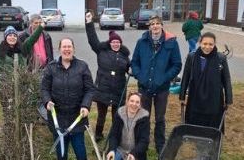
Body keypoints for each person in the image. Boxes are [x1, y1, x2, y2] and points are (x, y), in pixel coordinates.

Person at [131, 15, 182, 155]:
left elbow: (177, 65)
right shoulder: (141, 42)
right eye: (152, 24)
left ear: (162, 25)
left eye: (157, 24)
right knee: (143, 117)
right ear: (149, 27)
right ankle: (143, 144)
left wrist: (165, 78)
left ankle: (160, 145)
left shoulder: (171, 43)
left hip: (162, 89)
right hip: (144, 88)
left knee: (160, 118)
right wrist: (139, 75)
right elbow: (134, 62)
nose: (155, 26)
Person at [0, 3, 46, 93]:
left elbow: (33, 38)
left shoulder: (23, 48)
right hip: (4, 87)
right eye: (9, 35)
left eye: (14, 35)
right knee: (7, 107)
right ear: (5, 37)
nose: (12, 37)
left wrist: (41, 26)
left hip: (21, 85)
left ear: (17, 37)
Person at [41, 38, 95, 160]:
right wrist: (47, 101)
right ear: (59, 49)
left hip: (77, 118)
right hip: (58, 120)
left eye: (69, 46)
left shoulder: (82, 66)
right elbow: (44, 89)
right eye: (64, 47)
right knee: (61, 156)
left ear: (73, 49)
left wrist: (85, 105)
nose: (67, 49)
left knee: (81, 155)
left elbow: (90, 90)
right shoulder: (51, 68)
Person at [85, 12, 130, 142]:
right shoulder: (101, 51)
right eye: (113, 42)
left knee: (117, 116)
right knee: (101, 115)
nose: (116, 44)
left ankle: (114, 135)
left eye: (118, 42)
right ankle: (98, 134)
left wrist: (132, 69)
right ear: (110, 43)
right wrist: (89, 23)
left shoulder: (124, 56)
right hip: (102, 89)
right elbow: (92, 39)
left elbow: (130, 68)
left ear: (120, 44)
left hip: (118, 90)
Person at [180, 32, 232, 129]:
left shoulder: (221, 58)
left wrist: (228, 99)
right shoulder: (192, 57)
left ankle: (211, 137)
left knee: (213, 122)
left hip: (214, 98)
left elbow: (226, 79)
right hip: (195, 96)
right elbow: (185, 77)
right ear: (200, 43)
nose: (207, 47)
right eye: (204, 44)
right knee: (195, 122)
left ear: (214, 44)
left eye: (210, 44)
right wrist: (182, 96)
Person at [107, 92, 150, 160]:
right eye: (132, 101)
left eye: (137, 102)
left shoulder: (144, 118)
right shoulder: (119, 114)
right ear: (127, 102)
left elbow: (144, 141)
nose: (134, 104)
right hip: (119, 150)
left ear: (140, 105)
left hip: (135, 153)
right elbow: (113, 135)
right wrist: (112, 150)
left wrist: (134, 153)